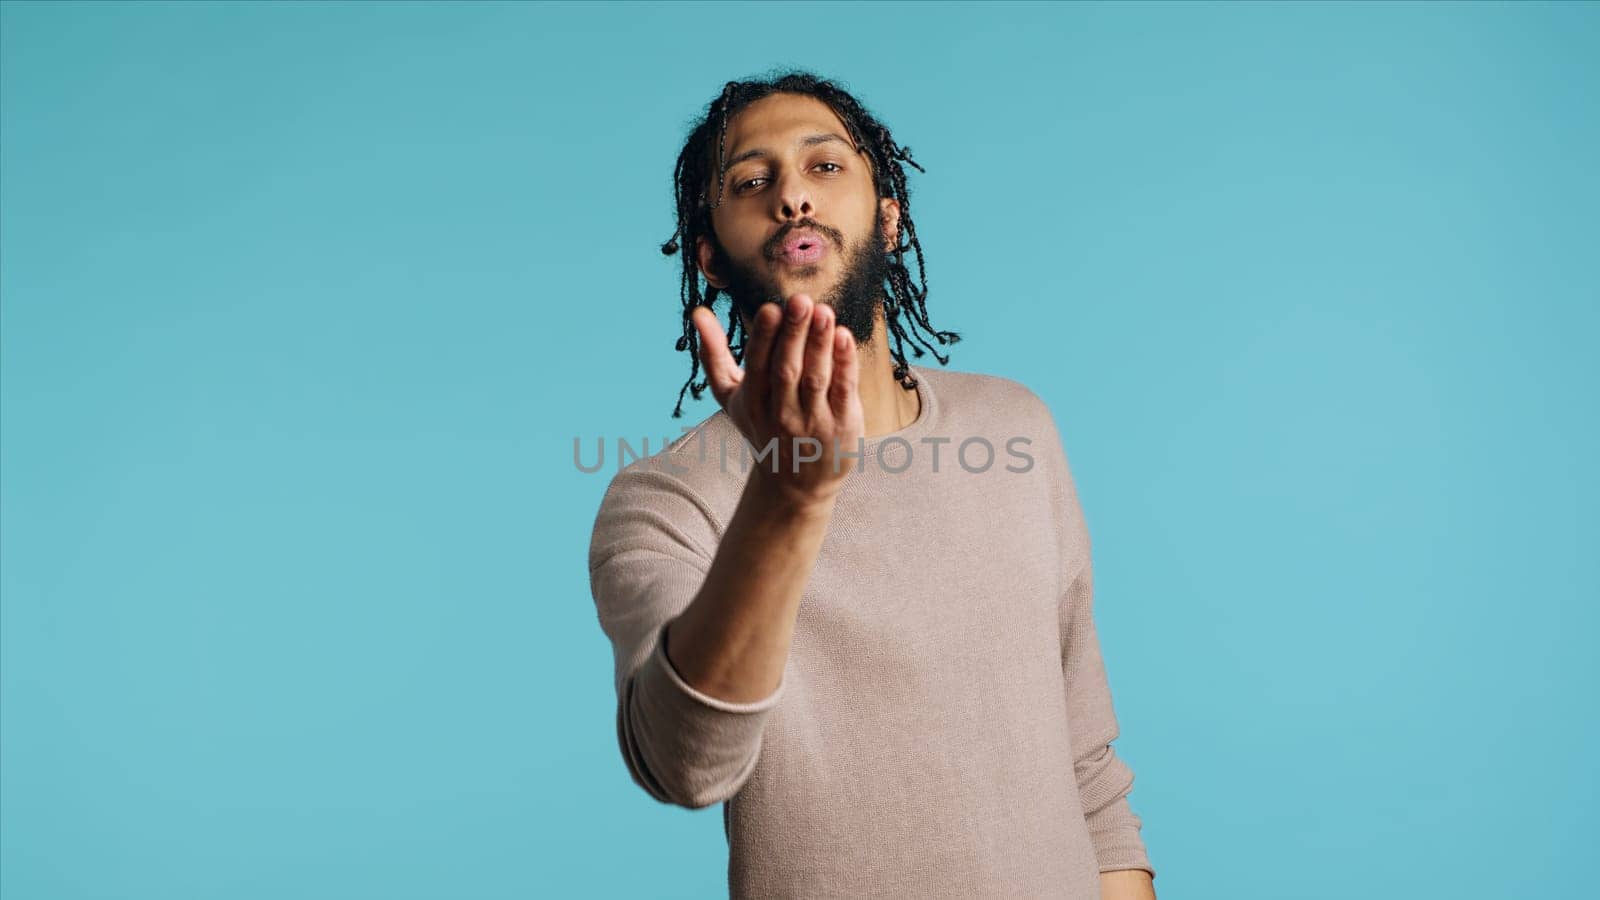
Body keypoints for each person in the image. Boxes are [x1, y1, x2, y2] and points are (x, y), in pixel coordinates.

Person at [587, 69, 1158, 900]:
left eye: (825, 167)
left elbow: (1088, 766)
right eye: (752, 181)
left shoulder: (1015, 428)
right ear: (708, 251)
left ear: (889, 217)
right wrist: (789, 496)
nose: (792, 198)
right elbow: (681, 762)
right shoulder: (664, 497)